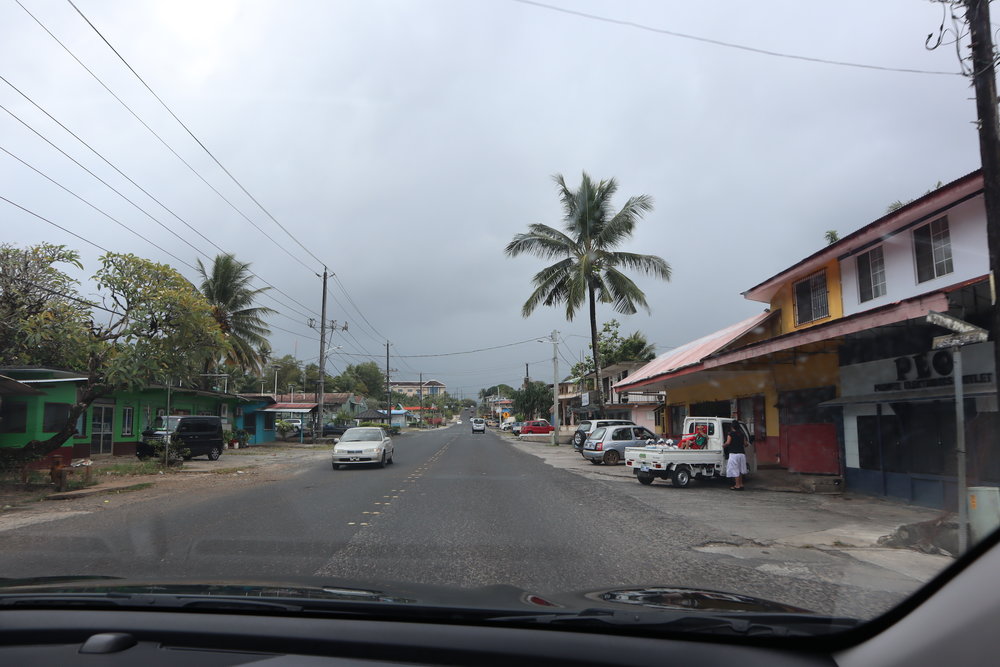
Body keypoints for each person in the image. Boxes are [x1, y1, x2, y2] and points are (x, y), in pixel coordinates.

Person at [723, 423, 748, 490]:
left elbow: (728, 442)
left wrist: (723, 445)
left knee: (735, 469)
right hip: (742, 454)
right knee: (740, 470)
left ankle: (737, 485)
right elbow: (745, 444)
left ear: (732, 427)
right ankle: (741, 484)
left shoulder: (730, 434)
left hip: (734, 454)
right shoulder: (742, 434)